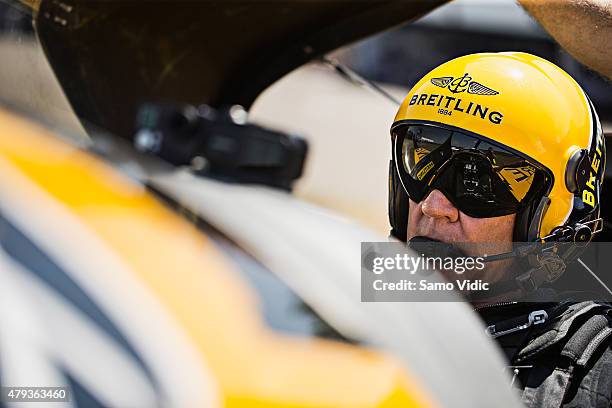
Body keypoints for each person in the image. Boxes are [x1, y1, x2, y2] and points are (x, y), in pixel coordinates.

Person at [388, 52, 612, 407]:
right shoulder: (337, 312)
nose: (433, 207)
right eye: (422, 165)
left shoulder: (599, 375)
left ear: (547, 215)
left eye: (480, 186)